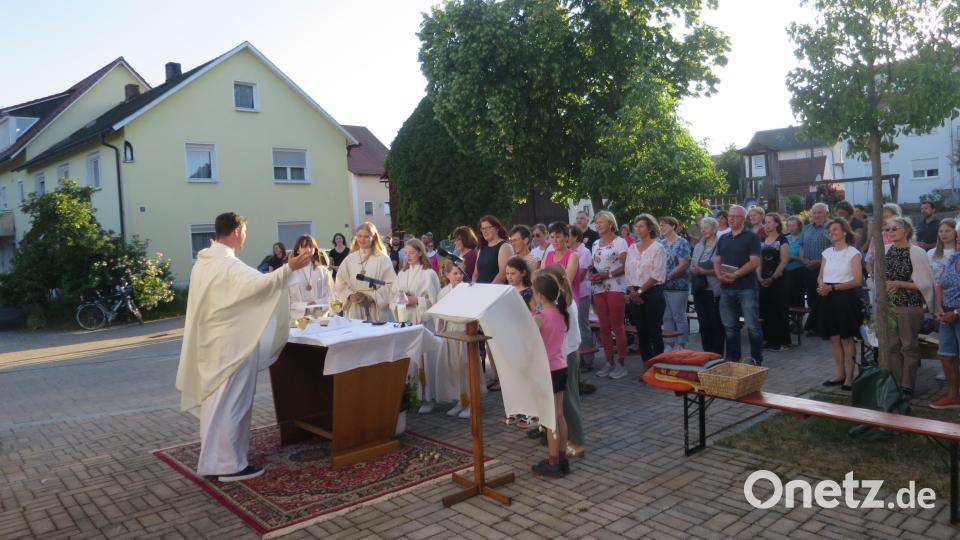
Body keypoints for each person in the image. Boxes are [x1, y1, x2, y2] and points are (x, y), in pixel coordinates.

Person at [176, 212, 314, 481]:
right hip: (233, 347)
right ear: (237, 231)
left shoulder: (203, 262)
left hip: (212, 345)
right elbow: (260, 285)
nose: (246, 237)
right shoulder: (227, 265)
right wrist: (290, 269)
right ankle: (230, 465)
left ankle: (214, 461)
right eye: (246, 231)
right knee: (234, 405)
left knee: (216, 406)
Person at [883, 216, 934, 394]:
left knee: (908, 346)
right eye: (888, 229)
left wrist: (900, 284)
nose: (890, 232)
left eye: (895, 228)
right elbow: (878, 277)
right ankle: (896, 382)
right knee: (891, 346)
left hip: (909, 304)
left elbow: (926, 283)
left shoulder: (917, 252)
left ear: (906, 230)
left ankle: (907, 385)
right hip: (889, 304)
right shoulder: (886, 250)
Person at [391, 238, 442, 412]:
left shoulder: (429, 273)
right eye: (406, 253)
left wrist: (416, 300)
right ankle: (414, 396)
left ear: (420, 252)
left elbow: (434, 300)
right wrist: (400, 299)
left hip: (422, 321)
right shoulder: (402, 274)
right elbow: (394, 297)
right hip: (407, 320)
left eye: (412, 252)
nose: (409, 256)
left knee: (425, 360)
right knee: (411, 361)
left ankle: (429, 398)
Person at [542, 265, 586, 461]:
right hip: (566, 354)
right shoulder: (562, 302)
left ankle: (577, 442)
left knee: (569, 402)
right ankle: (566, 438)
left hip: (566, 355)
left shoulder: (564, 305)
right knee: (565, 403)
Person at [530, 271, 570, 478]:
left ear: (540, 295)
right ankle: (562, 457)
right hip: (561, 366)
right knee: (559, 415)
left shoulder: (540, 318)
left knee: (549, 419)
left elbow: (529, 342)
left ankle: (553, 461)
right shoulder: (562, 313)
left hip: (547, 370)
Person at [816, 218, 864, 391]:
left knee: (847, 338)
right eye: (830, 231)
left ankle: (850, 377)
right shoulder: (827, 252)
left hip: (845, 298)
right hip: (827, 297)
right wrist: (821, 284)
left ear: (845, 231)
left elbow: (857, 280)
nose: (832, 233)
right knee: (834, 338)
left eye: (835, 229)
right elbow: (821, 274)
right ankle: (839, 374)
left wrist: (832, 288)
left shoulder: (853, 253)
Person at [713, 205, 764, 365]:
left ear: (743, 219)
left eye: (735, 216)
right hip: (726, 287)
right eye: (730, 216)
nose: (731, 218)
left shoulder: (752, 237)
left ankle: (755, 359)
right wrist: (719, 276)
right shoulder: (723, 238)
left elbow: (755, 261)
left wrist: (736, 274)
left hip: (746, 287)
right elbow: (717, 259)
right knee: (730, 326)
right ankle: (733, 358)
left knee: (752, 326)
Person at [435, 260, 481, 418]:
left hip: (464, 332)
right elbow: (439, 314)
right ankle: (459, 400)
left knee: (466, 367)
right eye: (455, 273)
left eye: (461, 273)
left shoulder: (469, 290)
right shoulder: (443, 292)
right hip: (450, 333)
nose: (459, 276)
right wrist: (440, 331)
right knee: (454, 369)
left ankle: (471, 402)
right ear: (447, 275)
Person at [474, 215, 515, 390]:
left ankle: (506, 377)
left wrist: (488, 293)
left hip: (497, 297)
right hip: (483, 298)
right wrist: (474, 290)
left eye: (488, 228)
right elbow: (476, 272)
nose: (485, 231)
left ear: (497, 228)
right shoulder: (482, 248)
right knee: (489, 339)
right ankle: (496, 376)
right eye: (482, 229)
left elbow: (503, 273)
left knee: (500, 339)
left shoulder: (504, 246)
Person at [589, 211, 629, 379]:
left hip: (615, 287)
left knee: (617, 326)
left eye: (601, 222)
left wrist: (608, 275)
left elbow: (625, 265)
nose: (598, 225)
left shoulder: (620, 242)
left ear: (611, 224)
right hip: (598, 289)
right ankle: (609, 361)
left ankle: (621, 363)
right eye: (597, 222)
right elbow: (595, 264)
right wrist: (594, 276)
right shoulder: (596, 243)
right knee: (604, 327)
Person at [625, 214, 667, 367]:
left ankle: (659, 366)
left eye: (641, 226)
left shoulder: (658, 248)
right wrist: (633, 292)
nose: (638, 229)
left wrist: (640, 292)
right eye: (636, 226)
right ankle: (647, 365)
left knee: (654, 331)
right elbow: (628, 272)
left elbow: (657, 274)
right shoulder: (632, 248)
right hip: (635, 292)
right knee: (641, 332)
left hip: (652, 292)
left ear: (649, 228)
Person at [333, 221, 397, 321]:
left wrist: (371, 297)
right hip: (354, 308)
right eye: (359, 236)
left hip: (376, 309)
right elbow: (340, 283)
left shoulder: (382, 258)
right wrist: (350, 296)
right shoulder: (349, 259)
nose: (362, 239)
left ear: (373, 238)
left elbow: (391, 284)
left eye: (366, 236)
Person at [690, 216, 724, 356]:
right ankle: (706, 354)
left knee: (715, 324)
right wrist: (693, 269)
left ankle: (717, 354)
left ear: (714, 229)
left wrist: (704, 271)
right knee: (703, 324)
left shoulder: (720, 245)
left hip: (713, 290)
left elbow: (723, 269)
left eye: (706, 228)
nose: (703, 231)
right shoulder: (698, 245)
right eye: (702, 228)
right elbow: (693, 263)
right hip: (699, 289)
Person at [758, 213, 791, 351]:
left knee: (779, 309)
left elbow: (784, 261)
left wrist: (773, 278)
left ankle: (783, 341)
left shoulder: (782, 240)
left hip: (778, 280)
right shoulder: (762, 240)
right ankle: (769, 339)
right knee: (766, 310)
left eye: (770, 222)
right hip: (763, 280)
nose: (767, 225)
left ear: (777, 223)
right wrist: (759, 277)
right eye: (765, 222)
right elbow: (758, 260)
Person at [658, 216, 691, 350]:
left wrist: (669, 276)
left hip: (678, 285)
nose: (661, 228)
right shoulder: (661, 243)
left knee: (679, 315)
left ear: (673, 226)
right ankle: (669, 343)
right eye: (660, 225)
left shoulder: (682, 242)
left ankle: (680, 344)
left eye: (664, 225)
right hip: (663, 285)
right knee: (666, 317)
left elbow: (683, 264)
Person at [933, 247, 960, 409]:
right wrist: (938, 307)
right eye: (958, 237)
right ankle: (953, 396)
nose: (959, 240)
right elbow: (939, 285)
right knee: (947, 356)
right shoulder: (953, 258)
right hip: (946, 314)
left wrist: (956, 312)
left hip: (956, 313)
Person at [567, 226, 596, 373]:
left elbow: (582, 273)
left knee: (582, 324)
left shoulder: (584, 252)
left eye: (568, 235)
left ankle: (588, 359)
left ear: (576, 237)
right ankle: (577, 357)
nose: (566, 237)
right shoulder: (567, 252)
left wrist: (566, 274)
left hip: (581, 292)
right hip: (568, 293)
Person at [799, 203, 831, 334]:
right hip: (808, 268)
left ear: (827, 214)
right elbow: (801, 245)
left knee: (823, 299)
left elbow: (834, 249)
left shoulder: (831, 228)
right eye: (815, 213)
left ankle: (824, 327)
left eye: (820, 213)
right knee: (811, 298)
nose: (817, 215)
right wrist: (803, 259)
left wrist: (819, 262)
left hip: (825, 269)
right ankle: (814, 326)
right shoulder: (806, 228)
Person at [289, 235, 335, 317]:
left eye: (311, 247)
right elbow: (287, 301)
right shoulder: (290, 272)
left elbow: (331, 295)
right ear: (298, 250)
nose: (308, 250)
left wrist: (316, 304)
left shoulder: (323, 271)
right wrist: (305, 306)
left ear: (315, 249)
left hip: (319, 318)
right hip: (298, 319)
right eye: (304, 247)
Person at [541, 222, 580, 296]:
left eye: (558, 237)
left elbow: (566, 282)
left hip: (568, 299)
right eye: (552, 237)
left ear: (566, 237)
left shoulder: (573, 256)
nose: (554, 240)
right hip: (550, 298)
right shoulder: (548, 255)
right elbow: (541, 278)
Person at [784, 216, 806, 309]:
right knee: (786, 297)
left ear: (799, 226)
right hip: (785, 271)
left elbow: (806, 257)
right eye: (789, 225)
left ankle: (799, 322)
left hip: (799, 271)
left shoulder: (804, 238)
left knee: (798, 296)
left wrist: (792, 258)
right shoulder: (785, 238)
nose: (791, 228)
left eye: (793, 225)